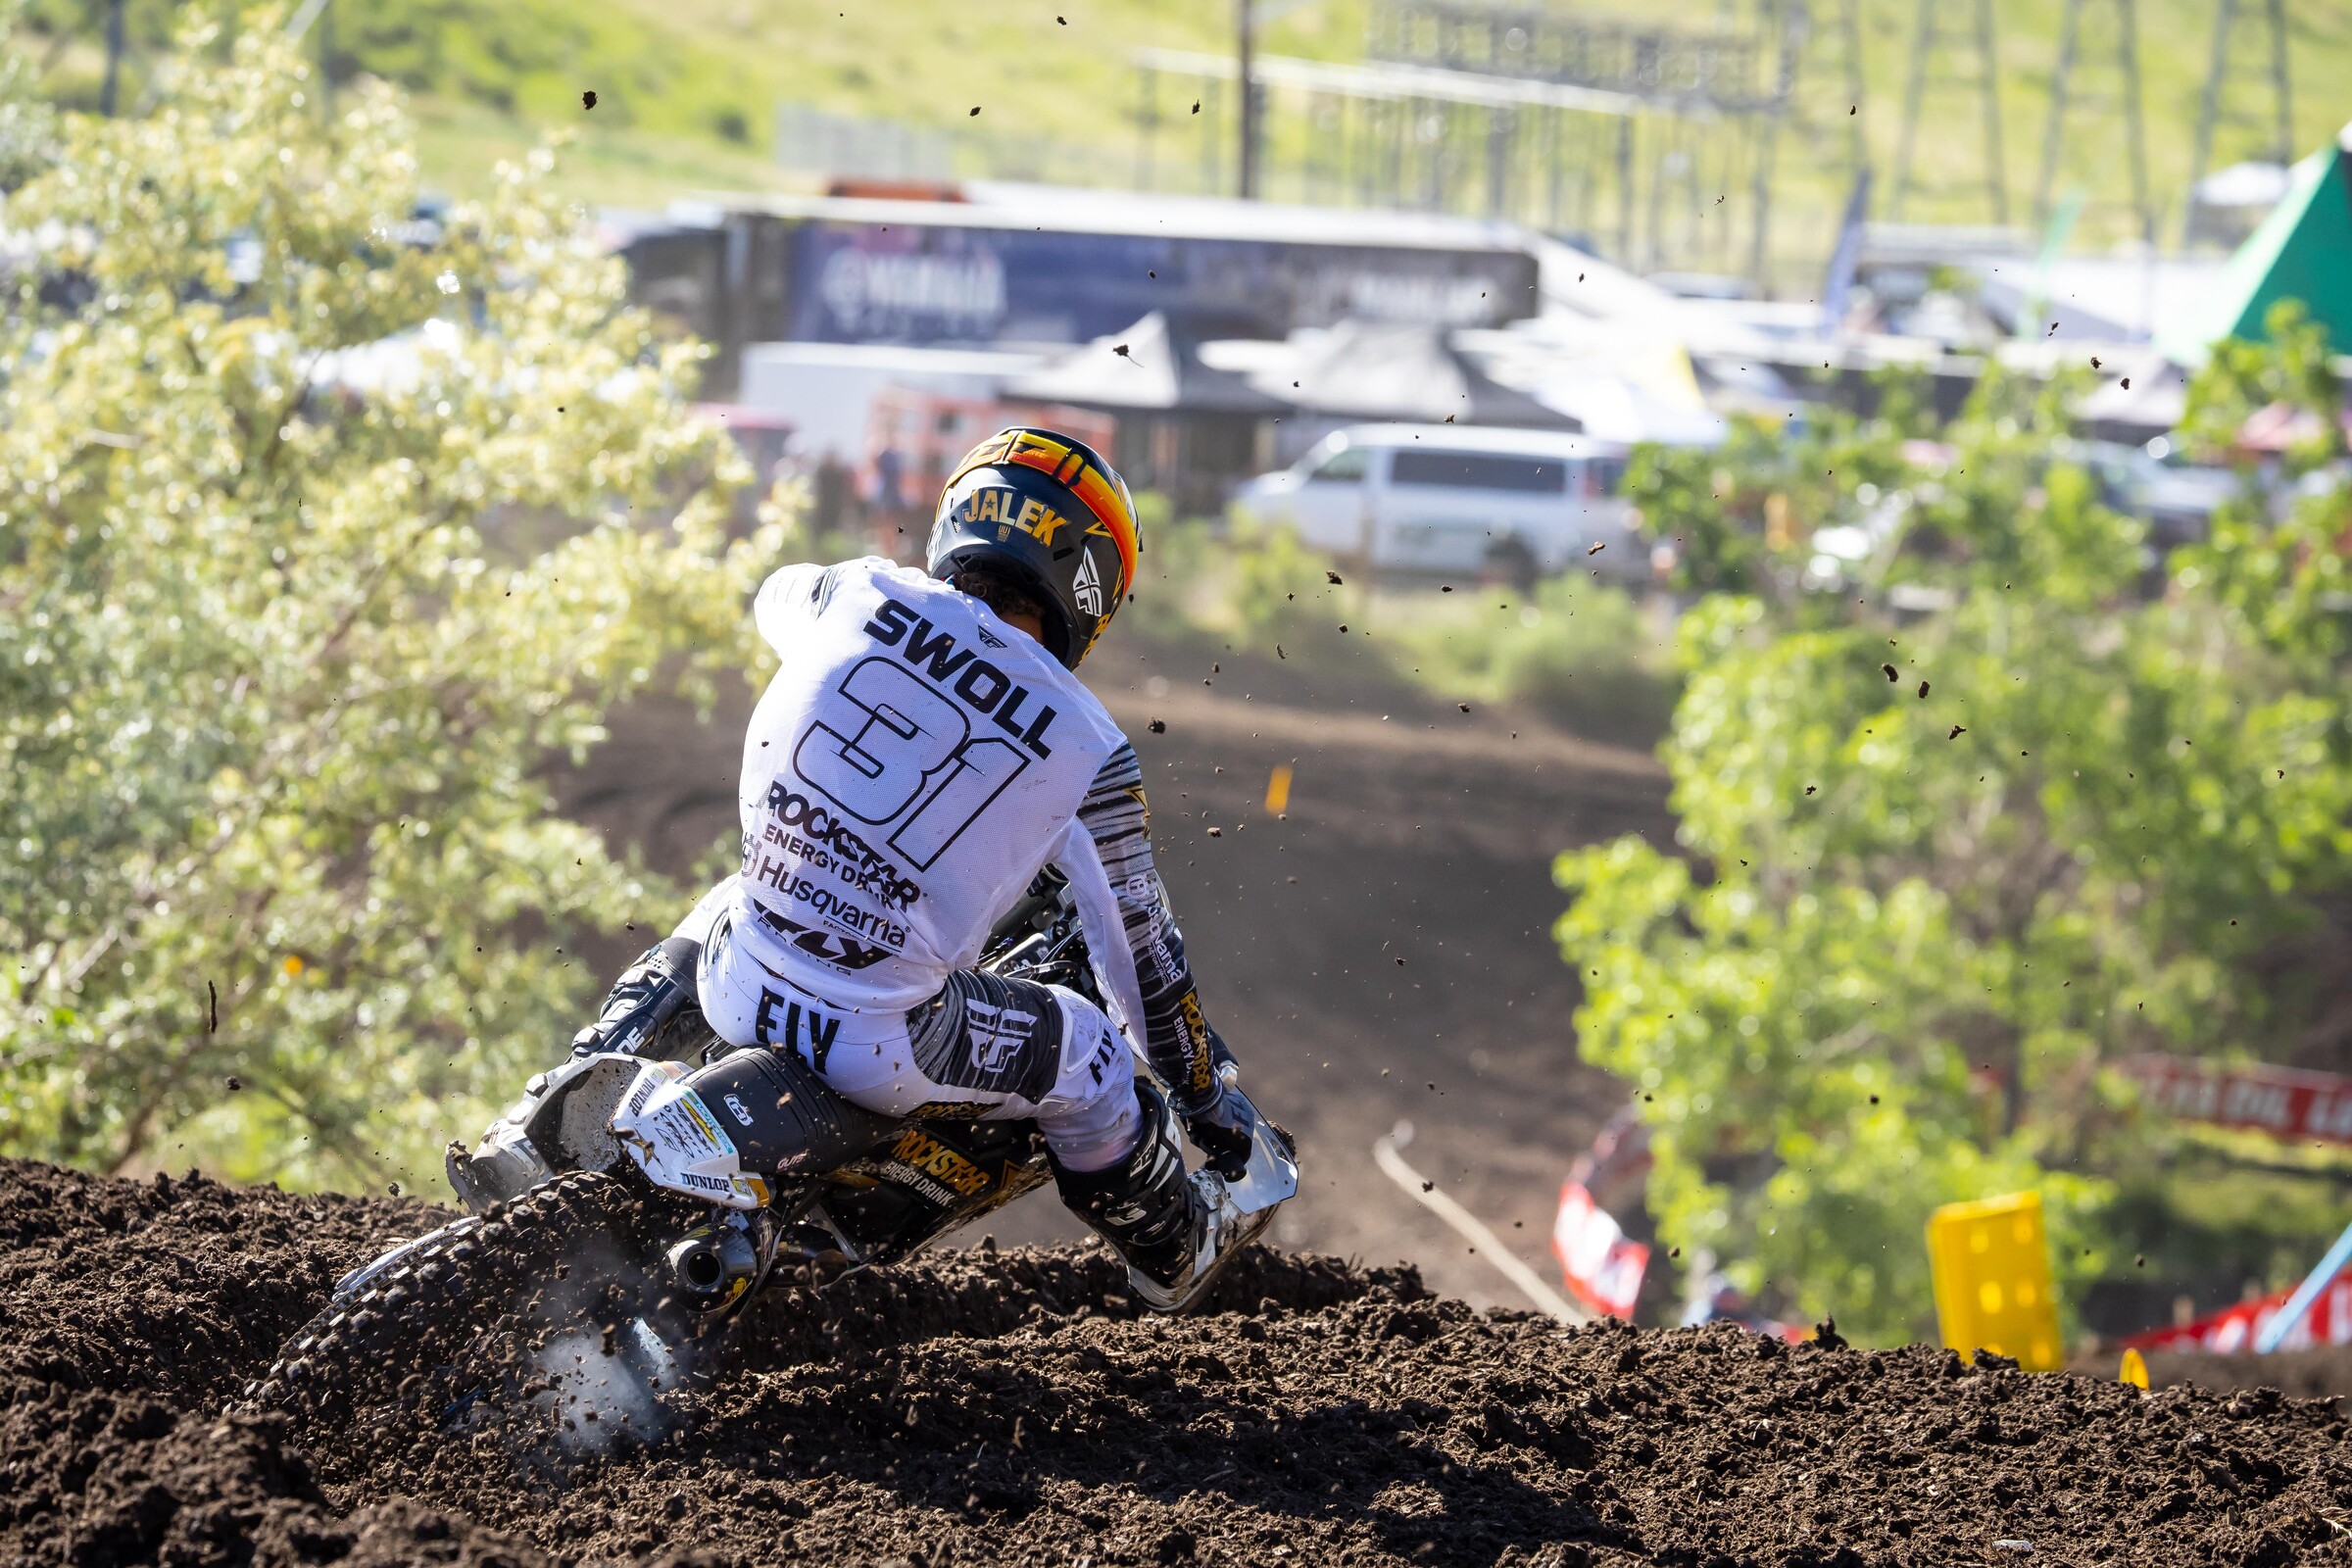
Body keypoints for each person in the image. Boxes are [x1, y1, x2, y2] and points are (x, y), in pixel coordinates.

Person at [566, 428, 1259, 1309]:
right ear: (1091, 582)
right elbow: (1145, 966)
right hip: (880, 1041)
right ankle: (1180, 1244)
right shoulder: (1091, 748)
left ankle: (586, 1077)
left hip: (738, 979)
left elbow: (772, 597)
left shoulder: (850, 592)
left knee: (732, 896)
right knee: (1089, 1052)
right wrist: (1204, 1101)